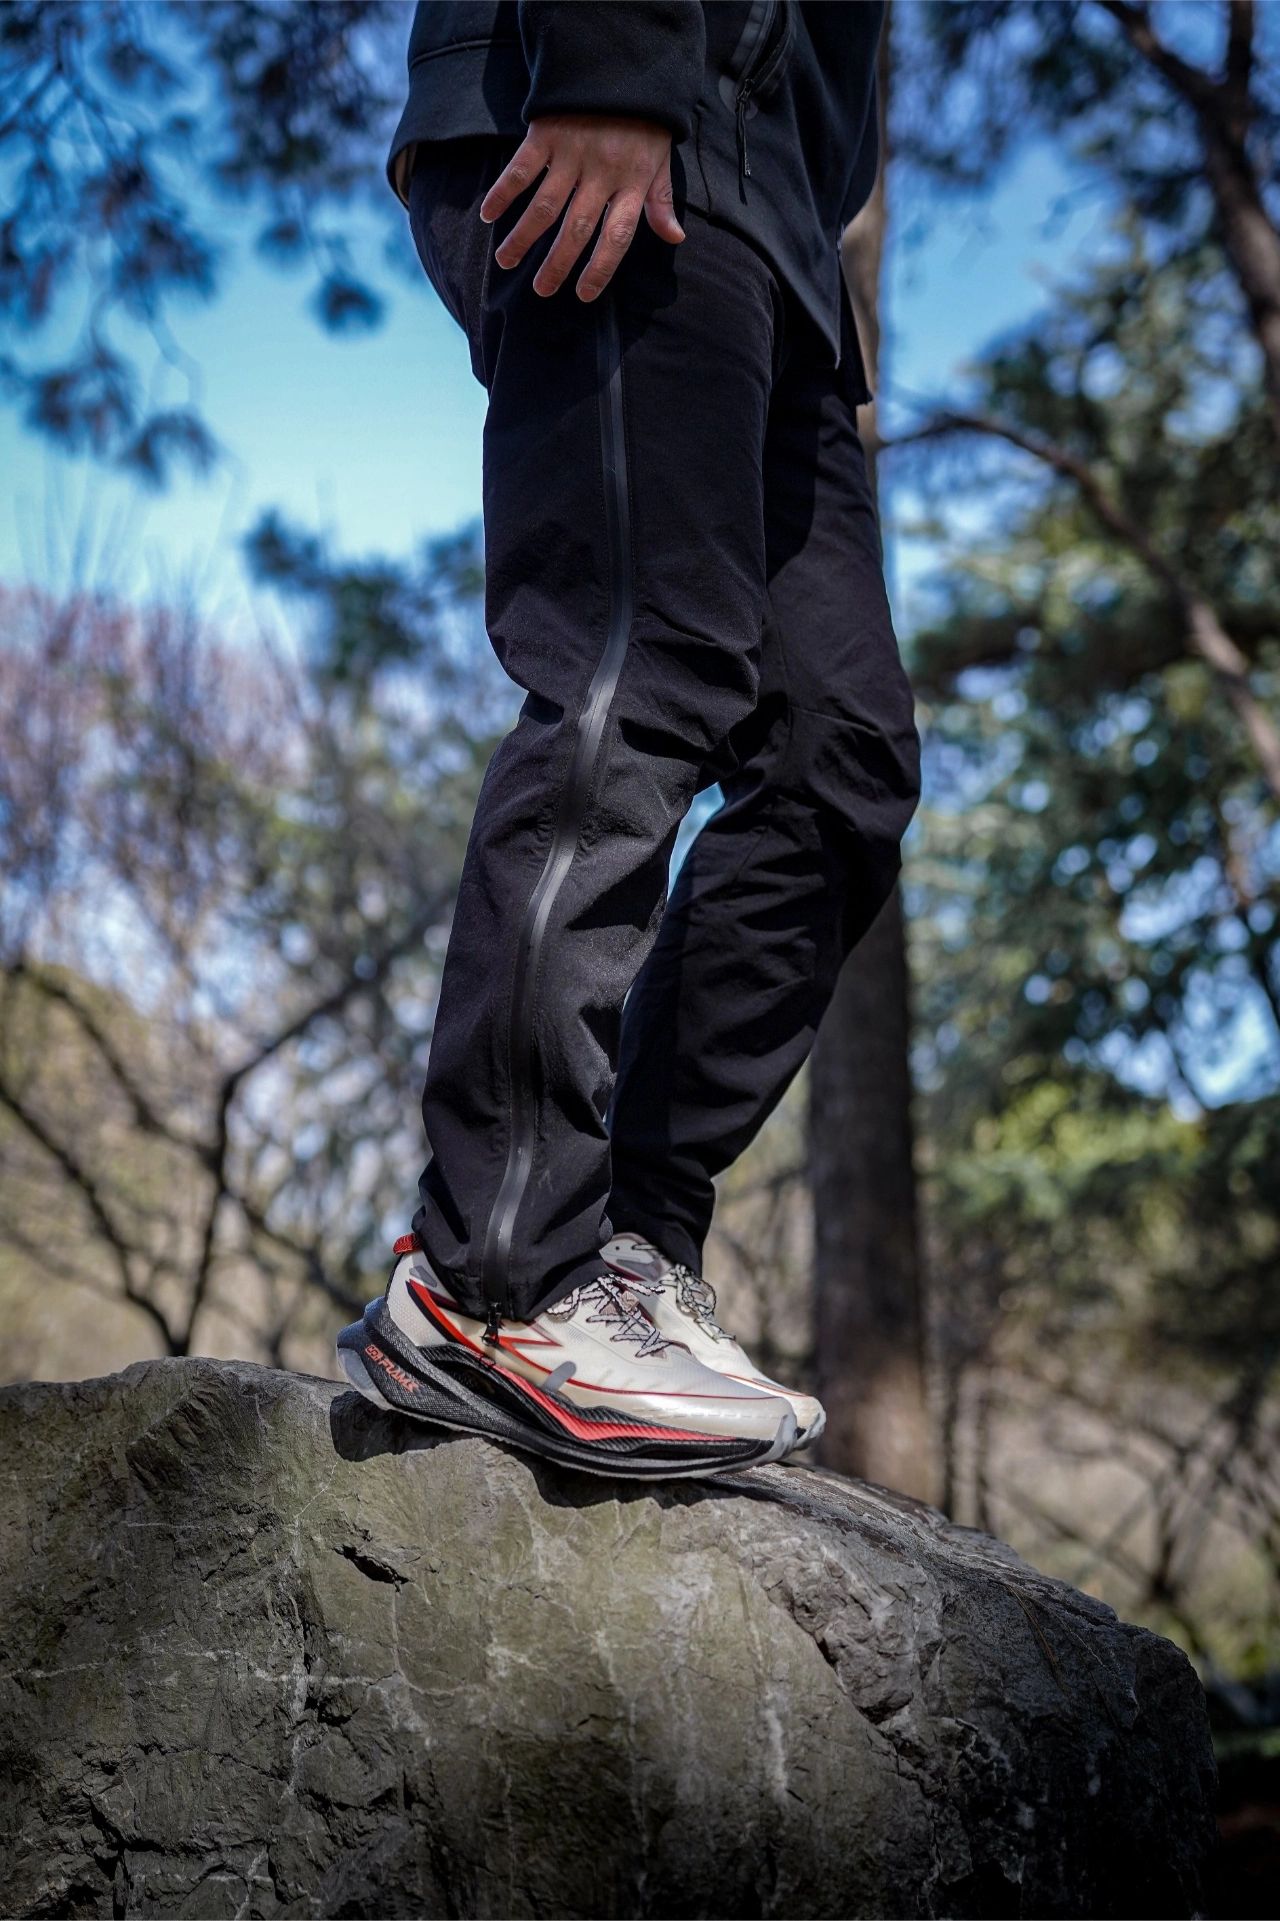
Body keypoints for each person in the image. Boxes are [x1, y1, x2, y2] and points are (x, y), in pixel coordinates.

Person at [337, 0, 921, 1478]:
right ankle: (493, 1280)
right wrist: (614, 60)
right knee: (636, 669)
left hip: (776, 219)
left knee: (838, 752)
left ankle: (624, 1251)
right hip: (622, 111)